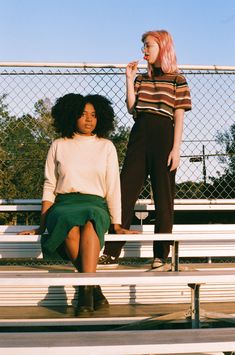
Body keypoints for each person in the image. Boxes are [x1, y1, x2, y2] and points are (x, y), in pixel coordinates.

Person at [19, 93, 130, 314]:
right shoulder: (59, 145)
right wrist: (42, 225)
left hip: (95, 203)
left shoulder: (106, 147)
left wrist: (116, 223)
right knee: (68, 224)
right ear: (71, 116)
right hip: (64, 205)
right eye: (82, 114)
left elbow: (113, 187)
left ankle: (85, 293)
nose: (89, 120)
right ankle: (91, 291)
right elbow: (50, 185)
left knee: (91, 223)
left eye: (94, 115)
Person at [99, 29, 192, 270]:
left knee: (164, 197)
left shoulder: (177, 79)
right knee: (124, 192)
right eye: (143, 46)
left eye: (148, 45)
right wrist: (129, 79)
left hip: (164, 134)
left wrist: (176, 149)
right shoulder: (141, 78)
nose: (144, 50)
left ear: (162, 46)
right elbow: (132, 109)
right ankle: (112, 252)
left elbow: (179, 116)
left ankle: (160, 255)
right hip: (140, 133)